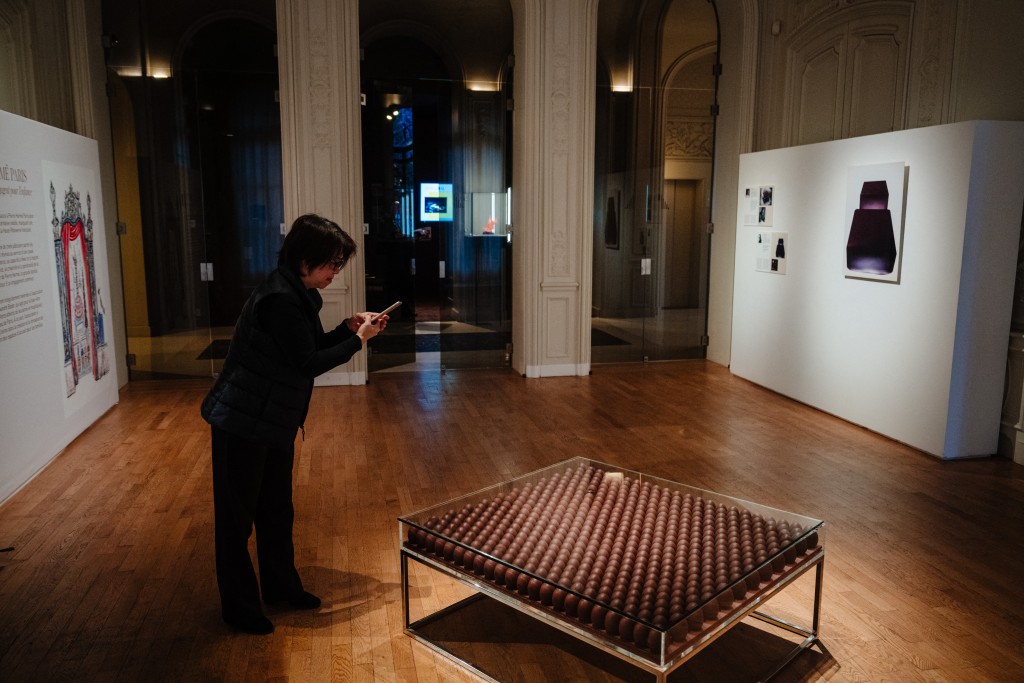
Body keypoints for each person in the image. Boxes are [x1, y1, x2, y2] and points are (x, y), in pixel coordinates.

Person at [200, 213, 388, 635]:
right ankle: (240, 608)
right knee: (236, 521)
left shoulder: (295, 292)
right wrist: (358, 342)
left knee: (275, 511)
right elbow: (307, 363)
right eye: (331, 264)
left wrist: (346, 328)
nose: (334, 273)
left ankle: (282, 589)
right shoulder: (280, 300)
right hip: (241, 421)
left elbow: (306, 347)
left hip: (271, 421)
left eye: (339, 265)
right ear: (304, 258)